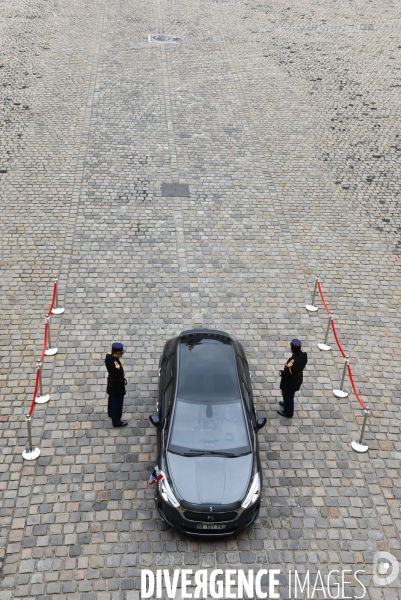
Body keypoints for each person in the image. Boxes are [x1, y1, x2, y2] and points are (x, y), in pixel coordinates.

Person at [277, 339, 307, 419]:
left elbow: (286, 374)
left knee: (288, 396)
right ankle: (286, 404)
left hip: (290, 382)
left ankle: (288, 412)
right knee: (289, 395)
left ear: (292, 349)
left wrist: (281, 373)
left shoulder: (292, 362)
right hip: (298, 378)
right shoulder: (304, 354)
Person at [105, 342, 128, 427]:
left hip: (111, 384)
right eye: (120, 353)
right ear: (116, 353)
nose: (122, 354)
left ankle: (111, 413)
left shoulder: (108, 357)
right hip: (117, 387)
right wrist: (124, 380)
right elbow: (119, 378)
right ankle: (116, 421)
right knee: (117, 403)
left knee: (111, 399)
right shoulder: (116, 367)